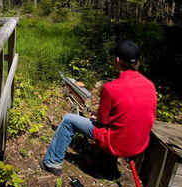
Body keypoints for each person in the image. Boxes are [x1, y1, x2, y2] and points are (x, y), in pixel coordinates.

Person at [40, 40, 157, 177]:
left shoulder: (111, 87)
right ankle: (108, 168)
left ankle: (52, 162)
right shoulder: (149, 85)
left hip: (116, 143)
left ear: (117, 60)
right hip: (139, 144)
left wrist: (97, 116)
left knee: (68, 120)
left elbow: (103, 121)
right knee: (117, 125)